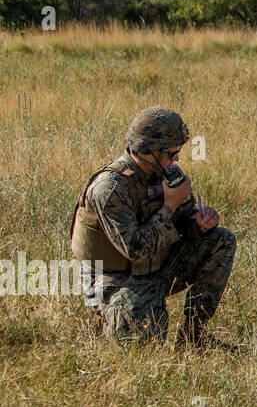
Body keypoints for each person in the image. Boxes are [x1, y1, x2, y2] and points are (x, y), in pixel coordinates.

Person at [70, 107, 236, 345]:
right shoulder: (110, 190)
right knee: (141, 340)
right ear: (149, 151)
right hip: (115, 279)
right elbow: (135, 250)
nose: (177, 158)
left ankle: (193, 335)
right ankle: (106, 316)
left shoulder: (167, 173)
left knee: (221, 239)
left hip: (156, 267)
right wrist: (169, 205)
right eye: (172, 152)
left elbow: (184, 223)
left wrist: (198, 225)